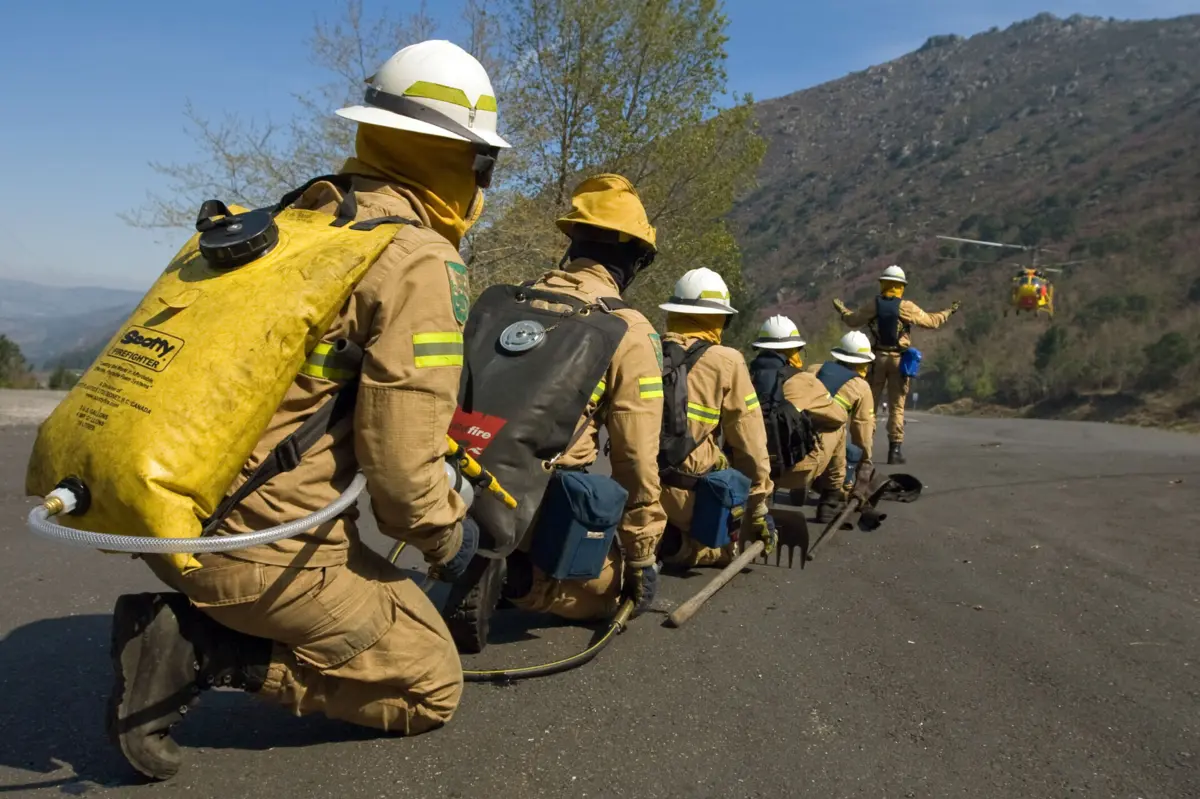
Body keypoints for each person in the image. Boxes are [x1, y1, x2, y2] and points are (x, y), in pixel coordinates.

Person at [106, 40, 508, 780]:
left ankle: (214, 621)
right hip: (259, 551)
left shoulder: (297, 222)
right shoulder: (416, 258)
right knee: (431, 683)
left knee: (393, 611)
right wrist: (453, 543)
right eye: (482, 164)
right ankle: (204, 651)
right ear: (456, 161)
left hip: (166, 515)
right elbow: (402, 483)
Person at [500, 174, 667, 621]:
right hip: (541, 507)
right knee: (614, 596)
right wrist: (640, 553)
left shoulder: (516, 300)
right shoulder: (627, 329)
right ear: (635, 257)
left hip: (466, 485)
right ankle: (524, 582)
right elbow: (635, 456)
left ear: (574, 239)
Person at [654, 268, 777, 570]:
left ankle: (649, 534)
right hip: (687, 495)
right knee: (726, 549)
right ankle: (683, 545)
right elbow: (750, 443)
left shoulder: (644, 350)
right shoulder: (727, 361)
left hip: (636, 488)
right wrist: (759, 506)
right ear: (719, 319)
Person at [834, 265, 959, 464]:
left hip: (875, 360)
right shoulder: (906, 307)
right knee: (897, 408)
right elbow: (931, 322)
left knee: (868, 406)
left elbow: (852, 320)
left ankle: (864, 451)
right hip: (899, 361)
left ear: (883, 284)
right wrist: (948, 312)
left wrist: (842, 310)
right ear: (901, 286)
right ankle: (895, 451)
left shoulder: (873, 305)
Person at [747, 315, 848, 513]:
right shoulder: (803, 380)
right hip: (791, 471)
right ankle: (831, 496)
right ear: (794, 350)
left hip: (748, 469)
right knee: (838, 427)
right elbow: (838, 416)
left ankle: (764, 495)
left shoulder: (742, 376)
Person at [806, 331, 876, 523]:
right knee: (850, 449)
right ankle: (830, 500)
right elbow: (862, 430)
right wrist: (865, 461)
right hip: (824, 446)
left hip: (792, 439)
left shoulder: (813, 369)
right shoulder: (861, 386)